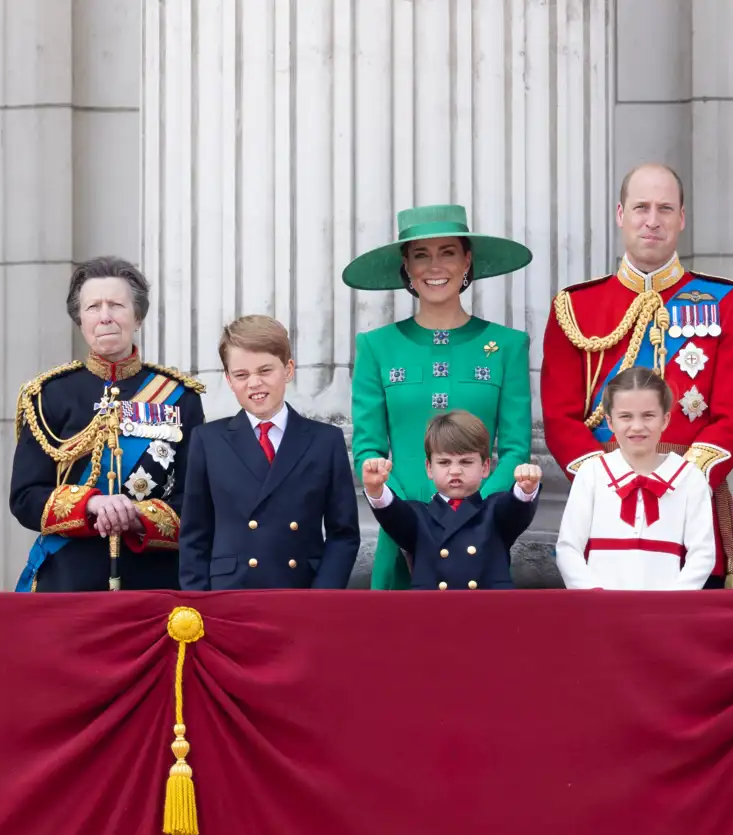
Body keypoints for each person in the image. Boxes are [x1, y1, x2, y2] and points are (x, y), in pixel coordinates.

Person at [541, 163, 733, 588]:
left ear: (682, 218)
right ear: (621, 214)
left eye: (665, 208)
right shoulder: (575, 307)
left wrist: (680, 483)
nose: (652, 220)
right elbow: (560, 417)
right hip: (603, 509)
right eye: (641, 208)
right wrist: (605, 482)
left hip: (690, 505)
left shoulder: (728, 302)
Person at [344, 204, 534, 590]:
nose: (435, 267)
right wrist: (405, 515)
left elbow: (515, 449)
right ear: (406, 266)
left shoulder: (508, 346)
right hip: (402, 534)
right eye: (421, 255)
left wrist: (477, 514)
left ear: (467, 261)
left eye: (448, 252)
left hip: (481, 539)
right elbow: (369, 450)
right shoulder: (376, 347)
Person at [9, 256, 205, 592]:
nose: (105, 317)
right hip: (69, 580)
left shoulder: (180, 396)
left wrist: (138, 515)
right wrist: (92, 504)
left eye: (116, 305)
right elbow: (26, 498)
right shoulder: (48, 395)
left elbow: (197, 499)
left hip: (154, 582)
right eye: (93, 307)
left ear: (138, 316)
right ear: (80, 320)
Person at [178, 315, 360, 590]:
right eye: (241, 375)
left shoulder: (325, 440)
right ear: (228, 380)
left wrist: (323, 595)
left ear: (288, 369)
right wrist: (200, 602)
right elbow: (195, 534)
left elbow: (343, 533)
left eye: (265, 371)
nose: (254, 383)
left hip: (302, 589)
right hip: (230, 594)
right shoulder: (207, 440)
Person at [555, 367, 716, 590]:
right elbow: (568, 548)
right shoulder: (591, 473)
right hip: (599, 611)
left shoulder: (690, 478)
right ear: (610, 422)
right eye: (625, 417)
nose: (637, 426)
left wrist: (672, 603)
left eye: (648, 415)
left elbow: (703, 554)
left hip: (664, 614)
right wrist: (592, 596)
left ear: (665, 419)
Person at [361, 410, 541, 590]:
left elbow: (515, 508)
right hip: (433, 612)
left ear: (485, 467)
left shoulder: (494, 511)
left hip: (487, 612)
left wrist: (525, 488)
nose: (455, 471)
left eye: (466, 462)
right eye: (444, 462)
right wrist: (375, 489)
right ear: (429, 468)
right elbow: (393, 513)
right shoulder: (419, 516)